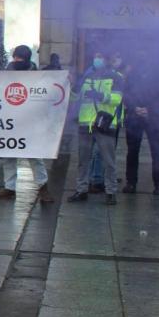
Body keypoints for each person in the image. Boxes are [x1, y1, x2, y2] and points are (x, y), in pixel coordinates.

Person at [0, 46, 53, 202]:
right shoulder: (8, 73)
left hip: (30, 122)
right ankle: (9, 187)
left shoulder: (37, 75)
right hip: (11, 120)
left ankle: (43, 187)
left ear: (26, 59)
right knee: (9, 156)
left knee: (34, 156)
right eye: (15, 58)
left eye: (19, 58)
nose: (16, 61)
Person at [69, 50, 124, 205]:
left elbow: (117, 99)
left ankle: (111, 192)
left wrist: (99, 95)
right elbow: (75, 98)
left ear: (107, 60)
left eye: (100, 57)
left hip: (104, 124)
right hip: (86, 123)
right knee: (83, 160)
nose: (96, 59)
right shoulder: (86, 77)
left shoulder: (116, 77)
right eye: (96, 56)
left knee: (108, 161)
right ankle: (81, 190)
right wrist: (73, 86)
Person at [122, 49, 159, 195]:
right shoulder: (133, 74)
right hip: (134, 116)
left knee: (157, 151)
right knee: (132, 152)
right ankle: (131, 182)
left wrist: (149, 109)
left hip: (153, 117)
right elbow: (125, 93)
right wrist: (134, 107)